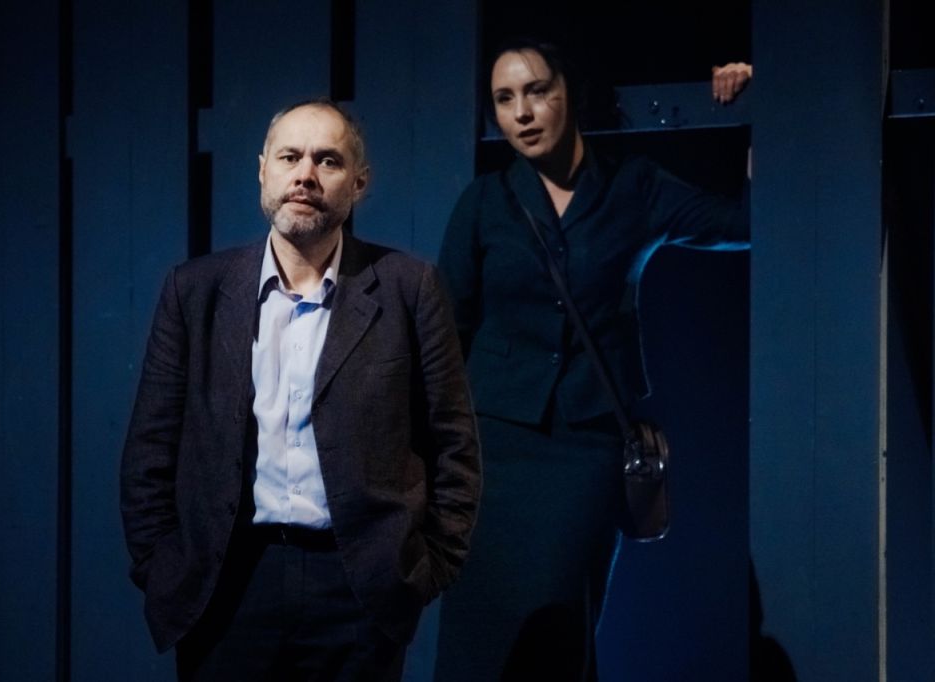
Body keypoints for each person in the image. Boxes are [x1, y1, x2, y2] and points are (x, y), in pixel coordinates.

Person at [120, 98, 481, 681]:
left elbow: (454, 444)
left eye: (327, 160)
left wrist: (426, 569)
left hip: (359, 586)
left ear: (359, 183)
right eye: (290, 157)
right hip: (225, 583)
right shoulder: (195, 291)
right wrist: (161, 563)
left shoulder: (408, 289)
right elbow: (150, 449)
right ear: (263, 170)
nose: (305, 175)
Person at [433, 40, 750, 681]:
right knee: (479, 625)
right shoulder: (484, 201)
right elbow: (447, 331)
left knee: (560, 612)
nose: (522, 113)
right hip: (494, 446)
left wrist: (759, 106)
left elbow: (744, 223)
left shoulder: (635, 188)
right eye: (504, 99)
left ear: (569, 93)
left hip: (587, 443)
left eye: (537, 91)